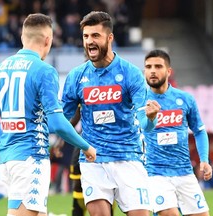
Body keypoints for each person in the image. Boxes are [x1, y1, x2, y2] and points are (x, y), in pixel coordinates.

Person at [0, 13, 96, 216]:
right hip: (31, 159)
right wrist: (86, 146)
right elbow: (56, 124)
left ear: (22, 37)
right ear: (48, 40)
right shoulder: (44, 71)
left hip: (8, 159)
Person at [62, 11, 160, 216]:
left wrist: (151, 119)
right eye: (86, 36)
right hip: (93, 160)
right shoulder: (76, 76)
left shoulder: (130, 73)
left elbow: (145, 122)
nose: (89, 41)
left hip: (128, 158)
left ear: (109, 38)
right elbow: (62, 118)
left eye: (95, 36)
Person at [143, 49, 212, 216]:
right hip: (155, 173)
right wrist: (151, 119)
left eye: (158, 66)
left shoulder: (185, 99)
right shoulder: (139, 100)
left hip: (185, 173)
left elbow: (199, 131)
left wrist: (204, 160)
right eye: (148, 66)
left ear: (168, 71)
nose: (152, 70)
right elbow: (141, 128)